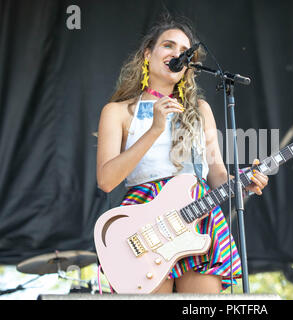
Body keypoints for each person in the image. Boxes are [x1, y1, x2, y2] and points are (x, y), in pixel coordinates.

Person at [96, 15, 268, 294]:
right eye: (168, 46)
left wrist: (244, 184)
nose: (177, 54)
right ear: (147, 54)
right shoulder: (117, 112)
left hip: (198, 218)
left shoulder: (200, 109)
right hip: (144, 223)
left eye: (184, 52)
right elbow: (106, 180)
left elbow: (217, 176)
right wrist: (154, 130)